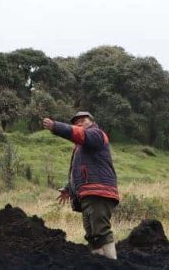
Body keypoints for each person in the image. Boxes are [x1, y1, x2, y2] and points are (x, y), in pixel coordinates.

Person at [43, 111, 119, 259]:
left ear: (92, 121)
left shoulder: (96, 134)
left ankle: (112, 263)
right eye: (76, 122)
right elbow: (80, 171)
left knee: (101, 231)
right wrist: (68, 188)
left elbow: (80, 134)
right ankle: (100, 263)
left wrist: (56, 126)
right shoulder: (81, 147)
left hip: (99, 191)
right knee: (91, 235)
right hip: (88, 194)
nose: (79, 123)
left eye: (83, 120)